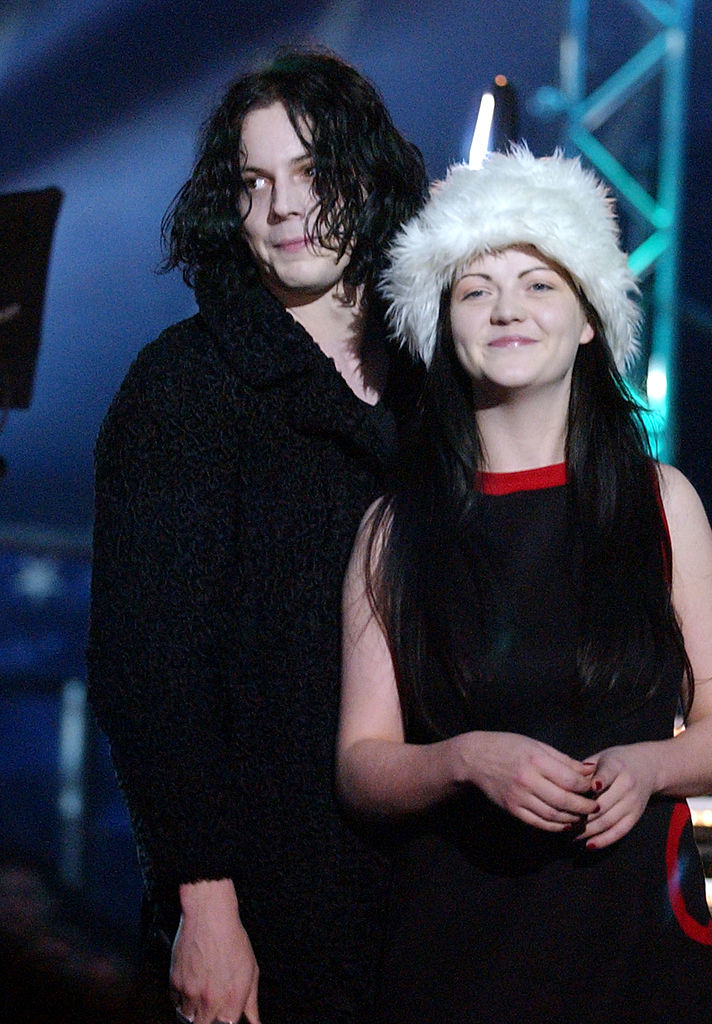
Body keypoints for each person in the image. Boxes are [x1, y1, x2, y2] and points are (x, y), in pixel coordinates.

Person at [337, 146, 712, 1022]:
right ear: (442, 324)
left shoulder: (659, 501)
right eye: (475, 289)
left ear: (590, 318)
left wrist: (647, 766)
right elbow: (362, 766)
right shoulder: (393, 528)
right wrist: (462, 760)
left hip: (634, 938)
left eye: (537, 283)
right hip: (458, 945)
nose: (506, 310)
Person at [86, 48, 426, 1024]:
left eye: (313, 173)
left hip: (436, 892)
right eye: (252, 182)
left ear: (368, 177)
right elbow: (147, 667)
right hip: (269, 896)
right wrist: (204, 903)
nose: (283, 207)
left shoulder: (437, 380)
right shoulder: (183, 386)